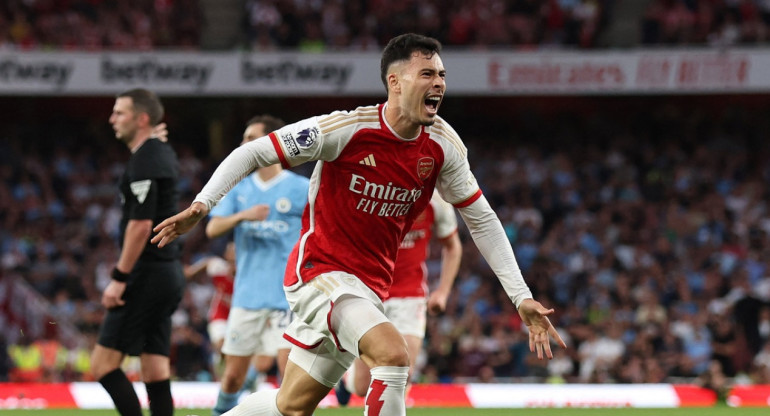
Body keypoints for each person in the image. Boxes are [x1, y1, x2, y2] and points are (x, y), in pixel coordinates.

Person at [152, 33, 566, 416]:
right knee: (393, 354)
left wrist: (520, 296)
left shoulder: (442, 146)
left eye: (442, 74)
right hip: (319, 274)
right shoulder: (346, 129)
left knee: (291, 406)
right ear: (395, 82)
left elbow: (482, 221)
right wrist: (202, 205)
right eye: (427, 73)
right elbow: (255, 153)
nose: (439, 82)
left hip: (369, 288)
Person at [206, 115, 310, 416]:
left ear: (271, 142)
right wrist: (242, 216)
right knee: (233, 377)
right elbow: (212, 229)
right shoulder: (239, 189)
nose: (243, 145)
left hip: (286, 298)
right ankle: (221, 412)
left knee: (288, 374)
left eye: (250, 139)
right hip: (247, 297)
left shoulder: (301, 188)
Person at [91, 88, 185, 416]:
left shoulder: (146, 159)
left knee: (102, 364)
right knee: (155, 367)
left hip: (147, 274)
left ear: (141, 119)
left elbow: (140, 226)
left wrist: (118, 278)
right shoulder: (157, 152)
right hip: (167, 273)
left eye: (119, 112)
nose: (111, 118)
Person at [339, 190, 462, 403]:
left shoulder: (436, 202)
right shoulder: (374, 192)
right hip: (370, 293)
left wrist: (442, 292)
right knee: (360, 387)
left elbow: (453, 247)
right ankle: (345, 379)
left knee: (403, 373)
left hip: (410, 294)